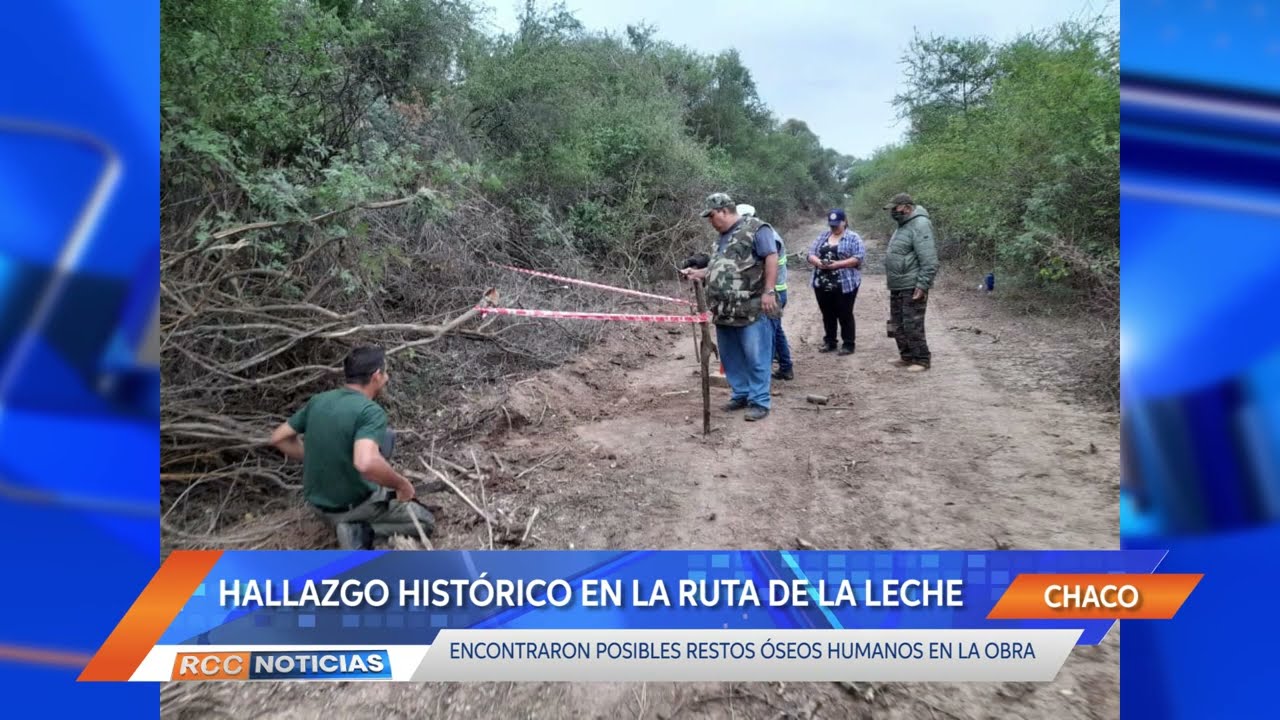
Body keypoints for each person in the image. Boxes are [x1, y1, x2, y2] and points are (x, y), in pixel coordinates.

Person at [269, 346, 434, 549]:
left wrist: (316, 457)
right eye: (385, 372)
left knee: (385, 438)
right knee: (425, 521)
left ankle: (349, 519)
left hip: (319, 508)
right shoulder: (370, 411)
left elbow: (278, 437)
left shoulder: (319, 401)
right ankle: (359, 529)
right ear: (376, 376)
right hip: (352, 507)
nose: (387, 377)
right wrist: (401, 485)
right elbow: (365, 463)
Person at [681, 192, 780, 422]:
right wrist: (698, 274)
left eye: (712, 216)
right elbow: (719, 268)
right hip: (724, 310)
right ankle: (741, 394)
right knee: (730, 357)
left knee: (756, 356)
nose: (710, 222)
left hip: (751, 307)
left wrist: (769, 291)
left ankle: (759, 401)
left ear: (724, 211)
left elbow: (771, 257)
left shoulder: (757, 228)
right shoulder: (720, 238)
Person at [883, 193, 939, 371]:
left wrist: (923, 284)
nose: (892, 211)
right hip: (898, 283)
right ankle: (906, 356)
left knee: (912, 323)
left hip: (912, 284)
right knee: (898, 323)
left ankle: (921, 360)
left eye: (895, 208)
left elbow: (929, 259)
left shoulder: (920, 224)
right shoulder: (903, 225)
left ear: (907, 207)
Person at [737, 203, 794, 381]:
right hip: (773, 291)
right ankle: (785, 367)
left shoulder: (766, 236)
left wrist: (767, 291)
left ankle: (764, 375)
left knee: (768, 334)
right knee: (775, 331)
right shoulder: (760, 234)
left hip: (773, 292)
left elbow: (769, 263)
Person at [807, 209, 866, 355]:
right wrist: (819, 262)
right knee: (827, 313)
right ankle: (830, 341)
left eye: (837, 224)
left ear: (844, 222)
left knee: (845, 313)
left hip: (845, 282)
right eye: (831, 225)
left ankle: (848, 344)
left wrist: (838, 264)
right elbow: (810, 254)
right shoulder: (823, 236)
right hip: (822, 281)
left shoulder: (853, 237)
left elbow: (858, 258)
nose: (834, 227)